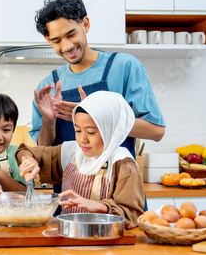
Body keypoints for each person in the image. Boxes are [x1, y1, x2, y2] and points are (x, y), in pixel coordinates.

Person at [29, 0, 165, 206]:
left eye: (71, 34)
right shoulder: (48, 85)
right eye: (56, 40)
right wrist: (48, 121)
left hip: (120, 202)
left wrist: (98, 117)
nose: (66, 46)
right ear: (48, 40)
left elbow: (156, 131)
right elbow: (45, 150)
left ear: (86, 24)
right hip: (68, 204)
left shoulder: (124, 67)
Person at [18, 91, 145, 229]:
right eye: (78, 130)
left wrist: (101, 207)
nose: (82, 139)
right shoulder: (71, 151)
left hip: (104, 240)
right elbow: (25, 151)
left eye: (91, 132)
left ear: (110, 130)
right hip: (68, 235)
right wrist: (30, 160)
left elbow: (132, 215)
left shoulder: (122, 162)